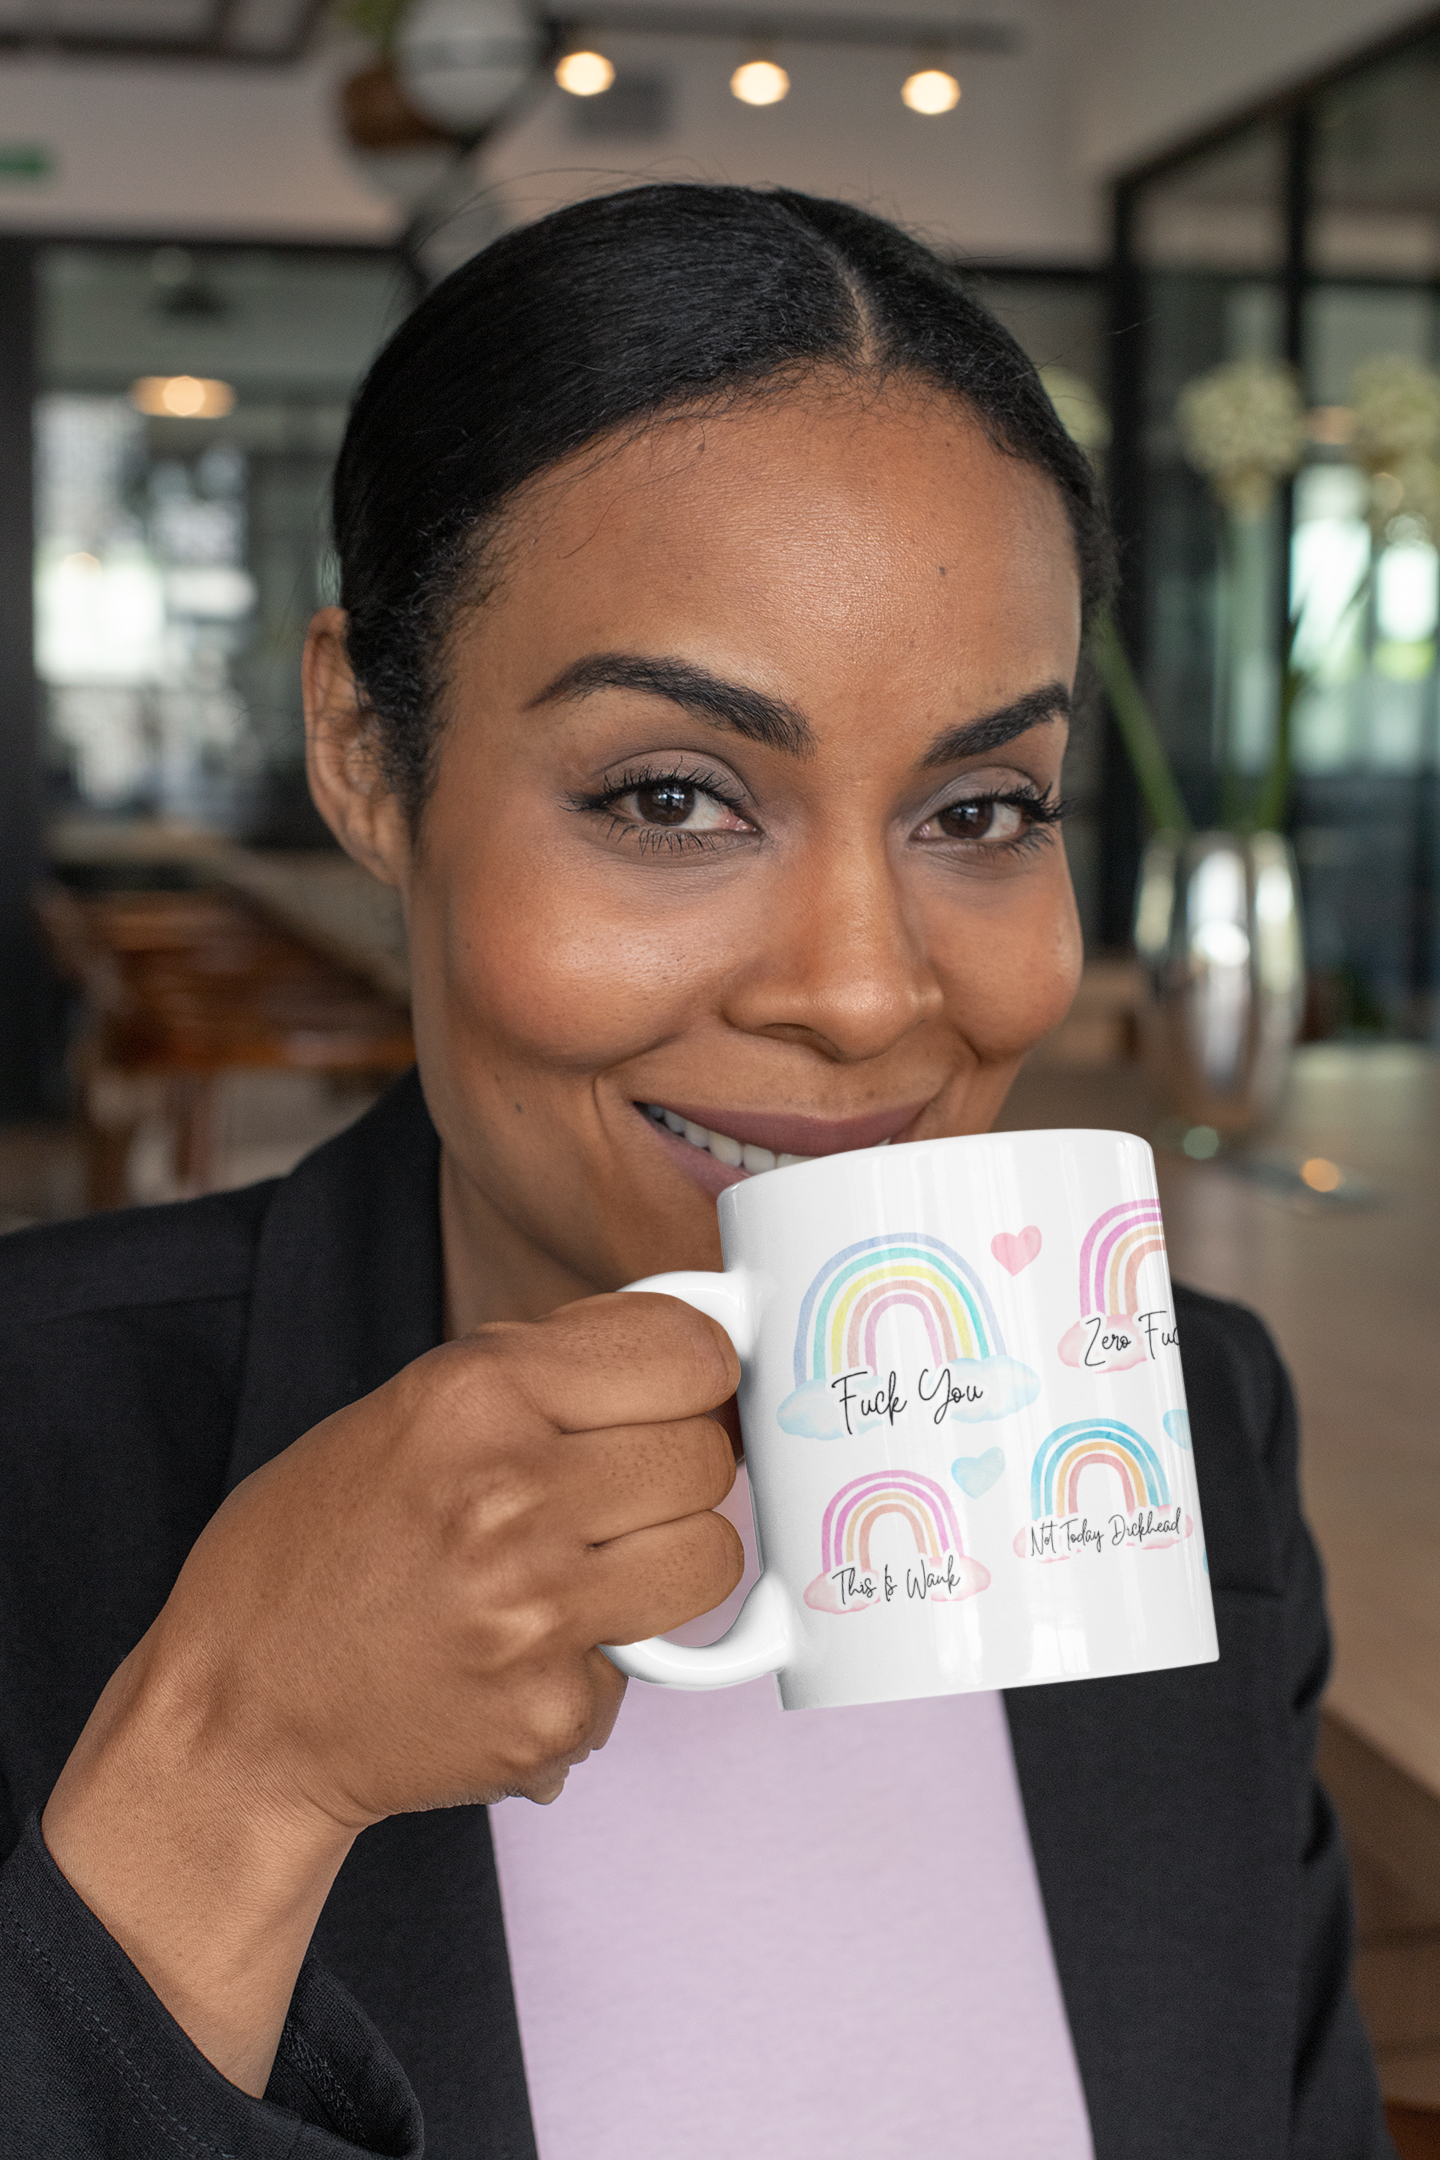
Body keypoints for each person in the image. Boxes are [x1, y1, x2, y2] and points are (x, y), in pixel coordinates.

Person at [0, 184, 1391, 2160]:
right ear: (363, 752)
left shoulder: (1186, 1417)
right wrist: (237, 1764)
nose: (858, 989)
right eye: (672, 796)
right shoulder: (39, 1448)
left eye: (983, 806)